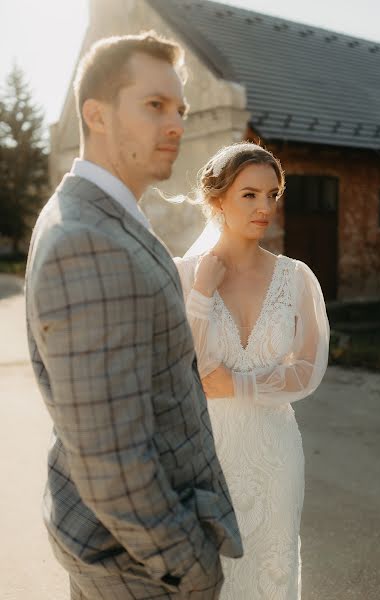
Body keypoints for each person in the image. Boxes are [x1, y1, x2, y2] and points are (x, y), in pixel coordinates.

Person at [25, 32, 242, 600]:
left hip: (119, 547)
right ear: (95, 115)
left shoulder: (100, 212)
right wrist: (188, 569)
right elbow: (112, 463)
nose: (176, 125)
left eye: (180, 109)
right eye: (154, 106)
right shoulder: (85, 241)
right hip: (138, 565)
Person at [174, 142, 330, 600]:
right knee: (211, 580)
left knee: (273, 574)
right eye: (249, 195)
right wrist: (202, 293)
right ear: (217, 199)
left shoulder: (297, 277)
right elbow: (191, 368)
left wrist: (240, 384)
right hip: (207, 454)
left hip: (274, 455)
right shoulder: (185, 275)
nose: (265, 207)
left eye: (273, 194)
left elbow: (307, 369)